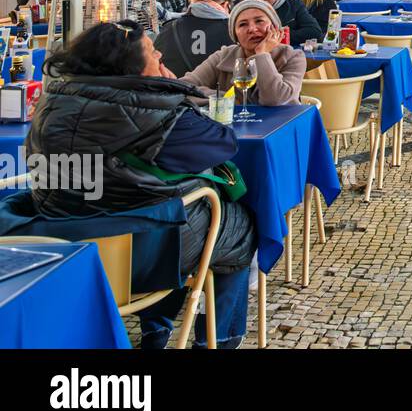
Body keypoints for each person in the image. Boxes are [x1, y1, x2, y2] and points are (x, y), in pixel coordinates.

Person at [28, 20, 257, 348]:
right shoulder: (155, 111)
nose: (161, 53)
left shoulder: (51, 103)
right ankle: (220, 340)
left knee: (164, 211)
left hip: (62, 245)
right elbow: (222, 142)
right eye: (152, 52)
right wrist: (171, 91)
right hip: (134, 255)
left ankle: (157, 329)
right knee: (237, 226)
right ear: (128, 67)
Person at [183, 0, 306, 106]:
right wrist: (228, 98)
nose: (252, 29)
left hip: (282, 127)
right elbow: (182, 87)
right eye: (243, 24)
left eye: (259, 21)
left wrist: (262, 54)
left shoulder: (293, 57)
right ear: (235, 35)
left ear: (275, 27)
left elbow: (275, 100)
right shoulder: (223, 56)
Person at [155, 0, 232, 76]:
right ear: (226, 5)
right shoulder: (233, 30)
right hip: (216, 88)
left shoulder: (170, 27)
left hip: (176, 86)